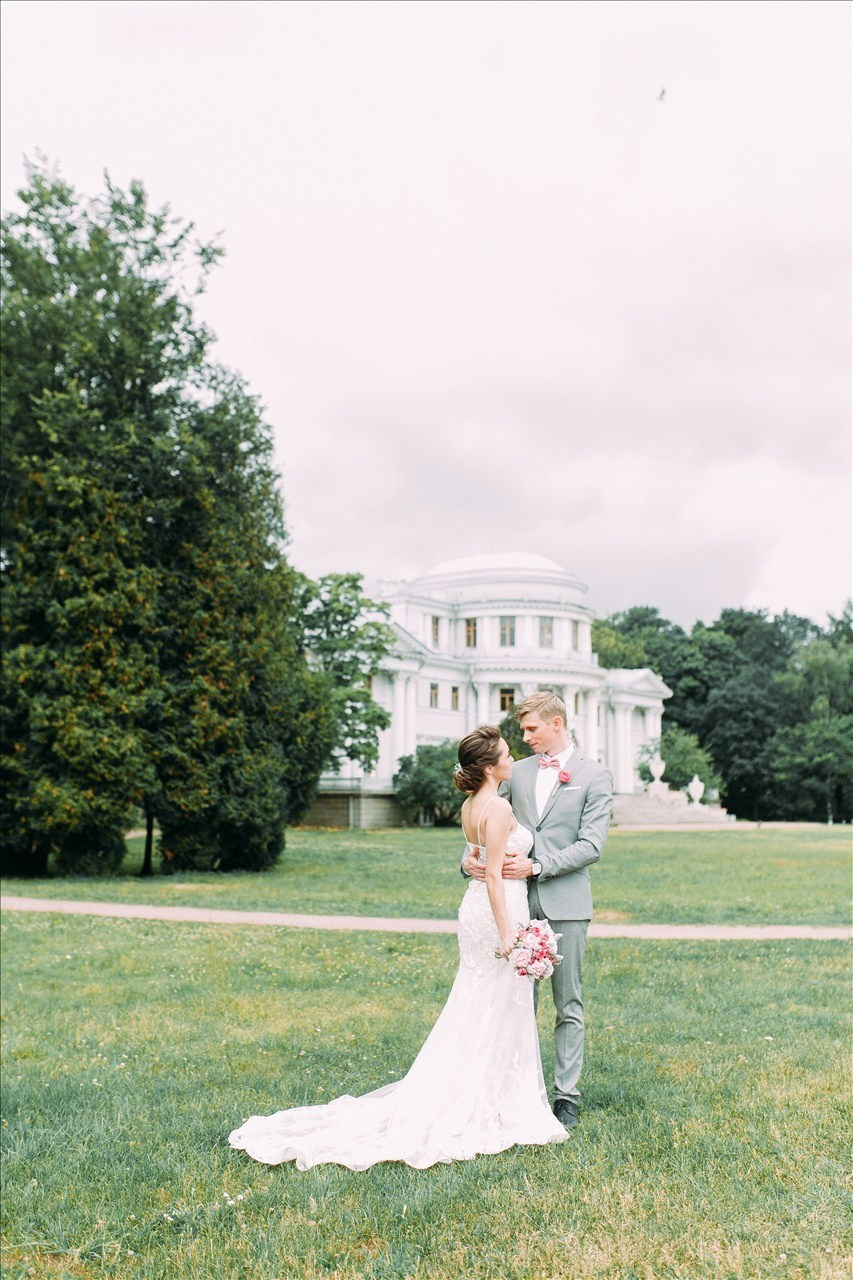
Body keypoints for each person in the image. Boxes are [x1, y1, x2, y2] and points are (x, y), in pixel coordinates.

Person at [228, 724, 569, 1171]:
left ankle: (488, 1094)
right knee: (496, 1004)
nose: (512, 759)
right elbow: (490, 875)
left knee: (479, 1003)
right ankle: (488, 1103)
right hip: (498, 912)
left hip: (476, 913)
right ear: (489, 767)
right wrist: (509, 934)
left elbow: (476, 859)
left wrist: (483, 877)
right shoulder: (500, 808)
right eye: (505, 754)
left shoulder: (472, 804)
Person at [462, 691, 613, 1130]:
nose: (524, 736)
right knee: (512, 1003)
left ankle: (566, 1096)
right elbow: (485, 819)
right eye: (522, 729)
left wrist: (539, 865)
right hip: (514, 904)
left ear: (557, 723)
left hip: (566, 902)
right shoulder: (516, 771)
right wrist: (467, 860)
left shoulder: (596, 775)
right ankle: (513, 1091)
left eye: (531, 728)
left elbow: (592, 845)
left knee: (568, 1002)